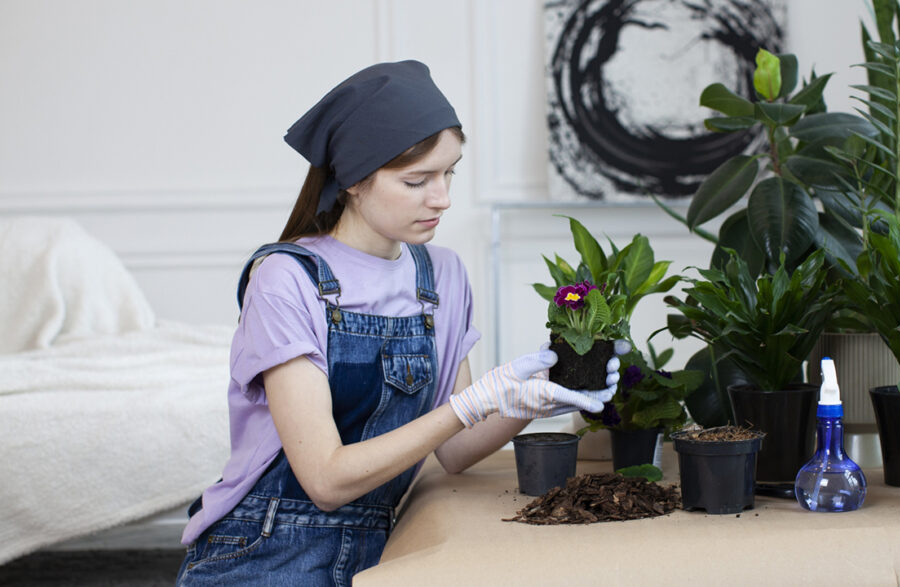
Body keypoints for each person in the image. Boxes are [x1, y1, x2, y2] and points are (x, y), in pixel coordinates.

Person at [175, 60, 622, 586]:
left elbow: (453, 452)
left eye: (450, 172)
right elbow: (324, 479)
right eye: (417, 180)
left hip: (382, 545)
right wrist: (471, 404)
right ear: (354, 182)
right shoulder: (284, 280)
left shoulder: (442, 276)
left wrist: (524, 403)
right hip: (265, 547)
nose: (443, 199)